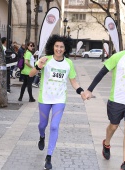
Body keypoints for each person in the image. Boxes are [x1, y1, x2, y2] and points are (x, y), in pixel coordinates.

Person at [83, 33, 125, 170]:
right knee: (114, 126)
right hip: (116, 101)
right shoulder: (118, 57)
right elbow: (101, 73)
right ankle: (107, 142)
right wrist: (89, 90)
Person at [29, 34, 85, 170]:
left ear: (65, 49)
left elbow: (73, 81)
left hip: (60, 99)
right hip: (45, 99)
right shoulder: (45, 59)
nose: (59, 49)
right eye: (56, 46)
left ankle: (49, 157)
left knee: (54, 126)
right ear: (52, 47)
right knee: (42, 125)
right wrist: (38, 65)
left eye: (61, 47)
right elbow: (30, 74)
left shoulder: (69, 63)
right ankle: (42, 136)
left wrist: (81, 92)